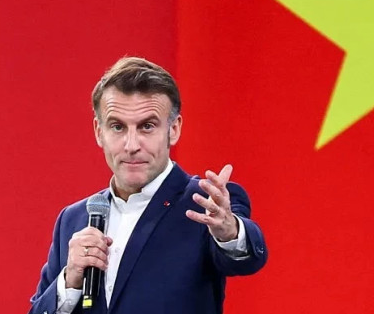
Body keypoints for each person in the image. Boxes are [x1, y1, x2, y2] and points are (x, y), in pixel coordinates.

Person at [28, 57, 267, 314]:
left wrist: (229, 232)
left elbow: (246, 260)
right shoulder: (73, 219)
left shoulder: (206, 203)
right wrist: (70, 281)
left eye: (147, 126)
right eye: (117, 127)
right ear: (99, 131)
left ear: (173, 130)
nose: (131, 145)